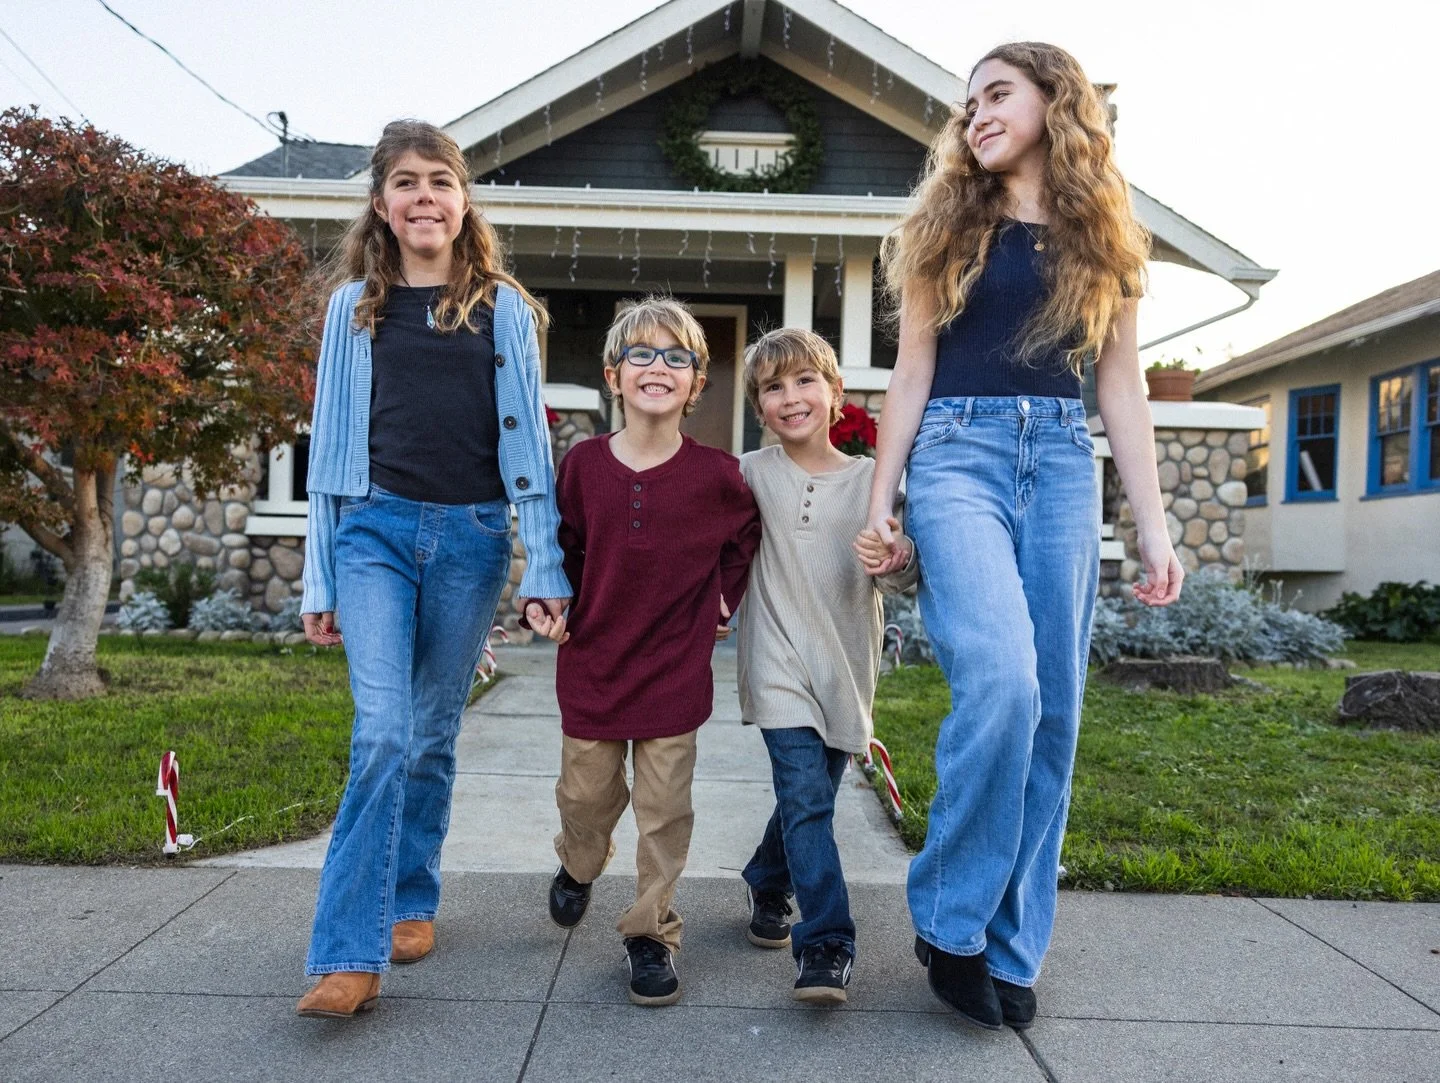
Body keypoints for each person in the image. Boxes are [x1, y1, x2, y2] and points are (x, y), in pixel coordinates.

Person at [861, 42, 1183, 1031]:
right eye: (967, 104)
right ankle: (951, 920)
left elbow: (1121, 390)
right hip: (958, 454)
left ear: (1057, 102)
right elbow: (910, 372)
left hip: (1061, 461)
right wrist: (884, 499)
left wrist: (1156, 529)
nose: (975, 115)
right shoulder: (944, 224)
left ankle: (1011, 945)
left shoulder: (1106, 238)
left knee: (1055, 714)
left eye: (997, 94)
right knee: (1002, 681)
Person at [294, 120, 570, 1019]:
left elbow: (527, 441)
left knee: (430, 736)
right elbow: (328, 450)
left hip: (473, 537)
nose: (424, 196)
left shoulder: (501, 307)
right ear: (381, 203)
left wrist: (545, 564)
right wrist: (320, 577)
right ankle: (347, 952)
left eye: (440, 181)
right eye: (405, 182)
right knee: (381, 731)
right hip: (373, 531)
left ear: (463, 202)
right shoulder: (353, 308)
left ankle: (411, 894)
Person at [526, 296, 761, 1007]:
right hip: (594, 665)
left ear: (696, 383)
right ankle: (577, 864)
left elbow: (743, 539)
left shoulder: (720, 476)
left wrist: (725, 597)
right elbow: (558, 551)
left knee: (664, 813)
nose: (658, 366)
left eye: (677, 356)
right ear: (612, 374)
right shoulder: (584, 466)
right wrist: (544, 602)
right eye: (642, 354)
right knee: (587, 800)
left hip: (673, 672)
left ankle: (650, 933)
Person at [732, 328, 916, 1006]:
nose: (791, 396)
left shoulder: (873, 483)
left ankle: (766, 874)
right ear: (759, 405)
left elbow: (900, 576)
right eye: (773, 387)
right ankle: (828, 942)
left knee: (810, 795)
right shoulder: (749, 473)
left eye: (805, 381)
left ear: (835, 393)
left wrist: (895, 560)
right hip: (775, 660)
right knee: (807, 795)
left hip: (844, 667)